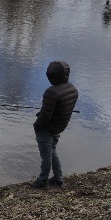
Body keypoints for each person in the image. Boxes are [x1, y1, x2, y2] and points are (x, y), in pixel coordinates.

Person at [30, 61, 79, 189]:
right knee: (52, 151)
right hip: (59, 127)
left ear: (52, 76)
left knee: (46, 156)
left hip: (47, 129)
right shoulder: (73, 89)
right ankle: (58, 178)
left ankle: (42, 182)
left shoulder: (51, 92)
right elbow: (59, 109)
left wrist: (36, 126)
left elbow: (45, 116)